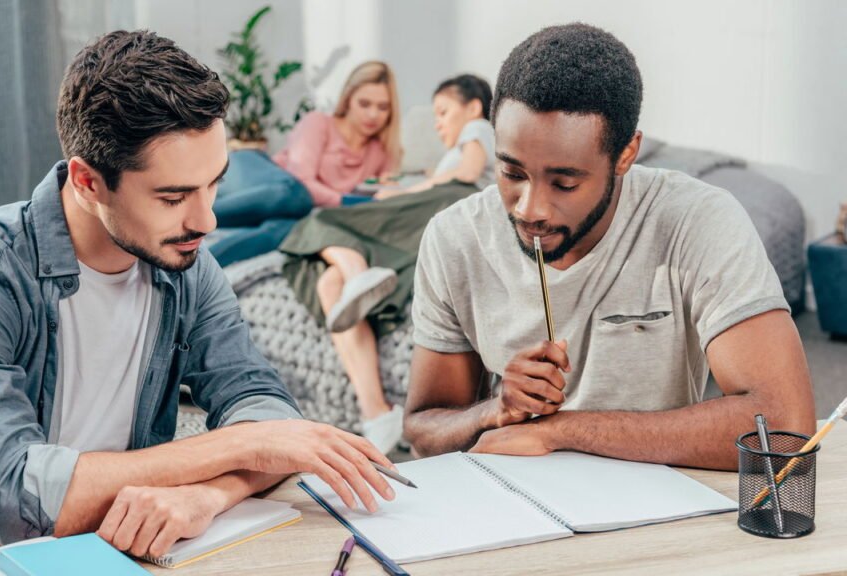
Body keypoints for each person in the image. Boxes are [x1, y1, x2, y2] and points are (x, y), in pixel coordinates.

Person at [0, 31, 398, 576]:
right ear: (87, 181)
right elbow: (16, 500)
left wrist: (209, 494)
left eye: (214, 184)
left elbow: (262, 406)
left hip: (98, 544)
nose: (207, 220)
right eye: (173, 197)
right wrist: (241, 444)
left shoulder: (188, 266)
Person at [403, 23, 815, 468]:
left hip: (659, 506)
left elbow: (784, 427)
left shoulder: (697, 221)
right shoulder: (454, 237)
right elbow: (425, 432)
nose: (529, 209)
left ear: (625, 155)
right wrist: (496, 408)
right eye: (512, 173)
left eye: (564, 182)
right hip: (514, 508)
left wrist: (561, 432)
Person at [278, 75, 497, 454]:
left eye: (443, 112)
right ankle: (376, 413)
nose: (438, 123)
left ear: (474, 107)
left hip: (446, 204)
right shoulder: (456, 152)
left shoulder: (481, 128)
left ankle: (358, 272)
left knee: (317, 221)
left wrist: (408, 191)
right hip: (432, 214)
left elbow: (464, 174)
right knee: (329, 284)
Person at [208, 61, 402, 266]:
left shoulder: (382, 152)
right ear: (348, 99)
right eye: (364, 104)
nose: (373, 115)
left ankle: (201, 268)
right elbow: (303, 181)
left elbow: (383, 200)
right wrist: (354, 202)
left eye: (383, 107)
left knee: (290, 229)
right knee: (295, 194)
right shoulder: (319, 122)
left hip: (293, 209)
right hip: (254, 173)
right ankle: (196, 216)